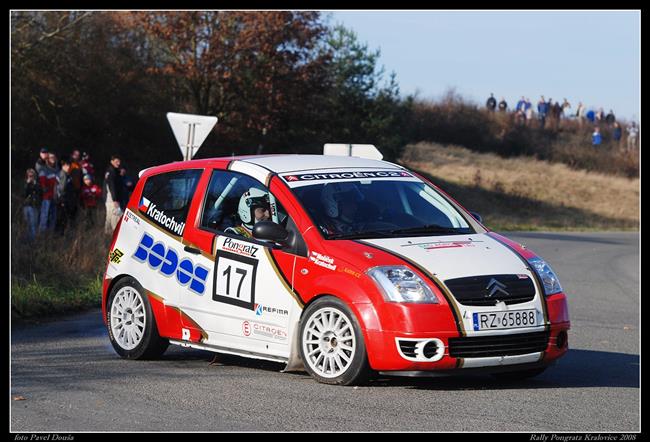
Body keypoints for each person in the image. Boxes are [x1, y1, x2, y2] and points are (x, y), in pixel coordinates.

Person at [55, 157, 78, 235]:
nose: (68, 167)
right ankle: (59, 235)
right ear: (63, 165)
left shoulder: (67, 174)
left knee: (64, 219)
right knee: (62, 219)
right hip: (63, 201)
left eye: (69, 165)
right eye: (67, 165)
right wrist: (62, 200)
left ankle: (62, 234)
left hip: (66, 200)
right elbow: (61, 189)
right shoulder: (63, 175)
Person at [38, 152, 59, 233]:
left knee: (53, 217)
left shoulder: (57, 169)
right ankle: (41, 236)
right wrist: (46, 188)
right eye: (50, 157)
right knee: (44, 216)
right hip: (46, 197)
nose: (53, 158)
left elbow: (59, 183)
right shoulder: (44, 169)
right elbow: (42, 184)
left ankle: (50, 235)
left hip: (55, 197)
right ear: (47, 159)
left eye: (54, 157)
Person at [104, 155, 125, 234]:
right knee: (116, 216)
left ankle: (107, 236)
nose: (118, 163)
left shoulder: (115, 171)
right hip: (112, 199)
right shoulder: (111, 172)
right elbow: (111, 186)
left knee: (109, 217)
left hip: (111, 198)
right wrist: (115, 199)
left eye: (119, 162)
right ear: (112, 161)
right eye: (116, 162)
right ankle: (114, 235)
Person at [23, 168, 42, 240]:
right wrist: (27, 184)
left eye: (32, 175)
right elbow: (23, 194)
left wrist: (35, 184)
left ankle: (33, 240)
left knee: (34, 224)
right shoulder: (25, 184)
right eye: (29, 175)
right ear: (27, 176)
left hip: (34, 206)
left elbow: (40, 193)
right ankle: (27, 239)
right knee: (27, 224)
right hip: (27, 205)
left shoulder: (37, 184)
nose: (31, 177)